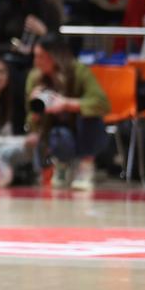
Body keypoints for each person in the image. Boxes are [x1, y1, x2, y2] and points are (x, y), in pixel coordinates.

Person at [26, 34, 112, 190]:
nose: (36, 62)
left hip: (82, 129)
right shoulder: (35, 77)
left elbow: (102, 104)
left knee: (89, 118)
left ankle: (85, 166)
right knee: (58, 135)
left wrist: (67, 104)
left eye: (41, 57)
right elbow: (31, 123)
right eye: (35, 56)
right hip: (55, 132)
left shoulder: (78, 70)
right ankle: (61, 164)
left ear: (56, 56)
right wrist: (35, 109)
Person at [0, 0, 64, 127]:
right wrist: (13, 47)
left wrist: (43, 32)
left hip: (37, 62)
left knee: (30, 78)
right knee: (9, 76)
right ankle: (12, 128)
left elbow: (59, 44)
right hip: (11, 60)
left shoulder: (48, 9)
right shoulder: (6, 7)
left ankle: (31, 128)